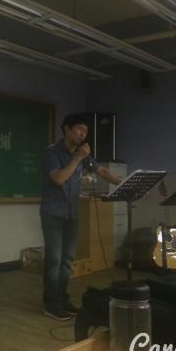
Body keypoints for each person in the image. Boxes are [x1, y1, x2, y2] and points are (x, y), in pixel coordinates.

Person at [40, 114, 121, 321]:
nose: (83, 134)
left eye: (85, 131)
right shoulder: (52, 152)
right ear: (66, 129)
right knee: (54, 259)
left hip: (72, 214)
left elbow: (102, 170)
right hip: (53, 213)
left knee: (67, 260)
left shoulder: (82, 155)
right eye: (79, 129)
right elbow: (59, 179)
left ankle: (62, 299)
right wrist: (77, 158)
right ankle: (50, 304)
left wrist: (124, 184)